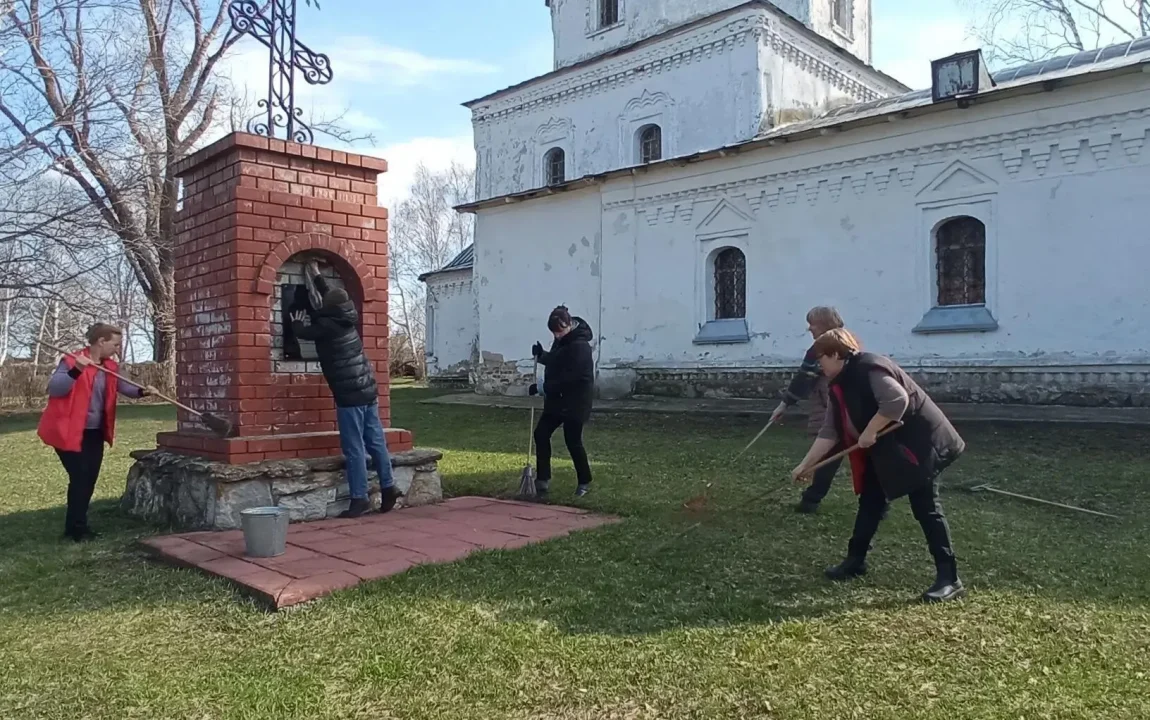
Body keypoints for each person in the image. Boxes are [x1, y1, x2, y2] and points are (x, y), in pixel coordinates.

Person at [791, 328, 967, 603]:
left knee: (926, 509)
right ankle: (855, 561)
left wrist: (870, 430)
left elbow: (897, 400)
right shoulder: (838, 383)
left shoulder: (869, 368)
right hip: (887, 448)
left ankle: (950, 578)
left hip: (919, 445)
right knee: (871, 501)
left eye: (820, 358)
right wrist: (806, 465)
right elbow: (830, 431)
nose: (818, 364)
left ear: (835, 354)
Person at [291, 261, 399, 518]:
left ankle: (359, 498)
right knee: (376, 442)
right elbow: (330, 294)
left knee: (354, 447)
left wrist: (295, 324)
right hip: (368, 390)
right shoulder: (346, 315)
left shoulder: (327, 326)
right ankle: (389, 486)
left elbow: (305, 332)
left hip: (349, 396)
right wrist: (316, 275)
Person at [38, 323, 157, 542]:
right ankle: (76, 529)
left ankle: (77, 526)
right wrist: (77, 369)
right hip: (67, 431)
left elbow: (126, 387)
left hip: (94, 432)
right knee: (81, 476)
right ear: (101, 342)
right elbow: (55, 388)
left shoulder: (110, 367)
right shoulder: (71, 361)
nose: (117, 349)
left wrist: (143, 392)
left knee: (88, 478)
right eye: (115, 344)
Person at [769, 305, 848, 514]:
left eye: (812, 324)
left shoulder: (821, 348)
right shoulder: (849, 341)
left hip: (831, 405)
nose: (809, 328)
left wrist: (784, 405)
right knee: (839, 452)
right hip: (845, 407)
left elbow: (803, 378)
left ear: (823, 324)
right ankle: (812, 499)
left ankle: (811, 500)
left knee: (829, 451)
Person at [528, 305, 595, 499]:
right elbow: (557, 360)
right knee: (541, 433)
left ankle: (584, 482)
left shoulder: (580, 346)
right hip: (557, 401)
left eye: (559, 331)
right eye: (554, 333)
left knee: (572, 441)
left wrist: (542, 388)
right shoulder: (562, 341)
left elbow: (570, 378)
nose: (556, 336)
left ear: (568, 324)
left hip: (575, 401)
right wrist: (542, 355)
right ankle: (542, 480)